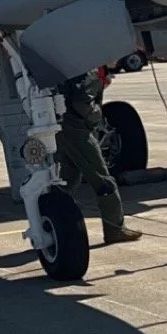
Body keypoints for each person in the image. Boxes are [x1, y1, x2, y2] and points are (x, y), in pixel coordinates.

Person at [55, 66, 142, 245]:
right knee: (103, 180)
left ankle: (58, 223)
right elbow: (82, 104)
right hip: (78, 130)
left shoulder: (77, 68)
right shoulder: (89, 72)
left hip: (64, 128)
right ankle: (115, 229)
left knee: (68, 180)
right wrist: (97, 116)